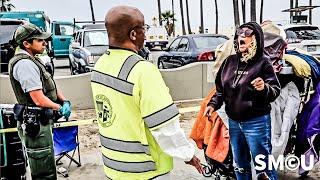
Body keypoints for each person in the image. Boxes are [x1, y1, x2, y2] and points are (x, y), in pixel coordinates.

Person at [90, 5, 202, 179]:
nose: (146, 34)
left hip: (113, 166)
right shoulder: (142, 71)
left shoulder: (100, 65)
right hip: (146, 169)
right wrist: (187, 154)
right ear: (134, 34)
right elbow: (164, 127)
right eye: (144, 29)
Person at [204, 22, 281, 180]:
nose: (241, 37)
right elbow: (220, 90)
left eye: (247, 33)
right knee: (240, 165)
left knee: (263, 166)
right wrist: (212, 105)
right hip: (234, 123)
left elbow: (275, 90)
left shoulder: (263, 62)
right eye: (239, 33)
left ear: (256, 39)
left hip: (256, 123)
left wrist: (264, 88)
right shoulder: (229, 62)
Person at [9, 23, 71, 180]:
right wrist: (59, 108)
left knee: (48, 164)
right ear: (26, 43)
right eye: (39, 40)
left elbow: (49, 85)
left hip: (41, 123)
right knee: (43, 171)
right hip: (35, 125)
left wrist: (64, 100)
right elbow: (38, 99)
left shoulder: (34, 59)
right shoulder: (24, 64)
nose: (44, 42)